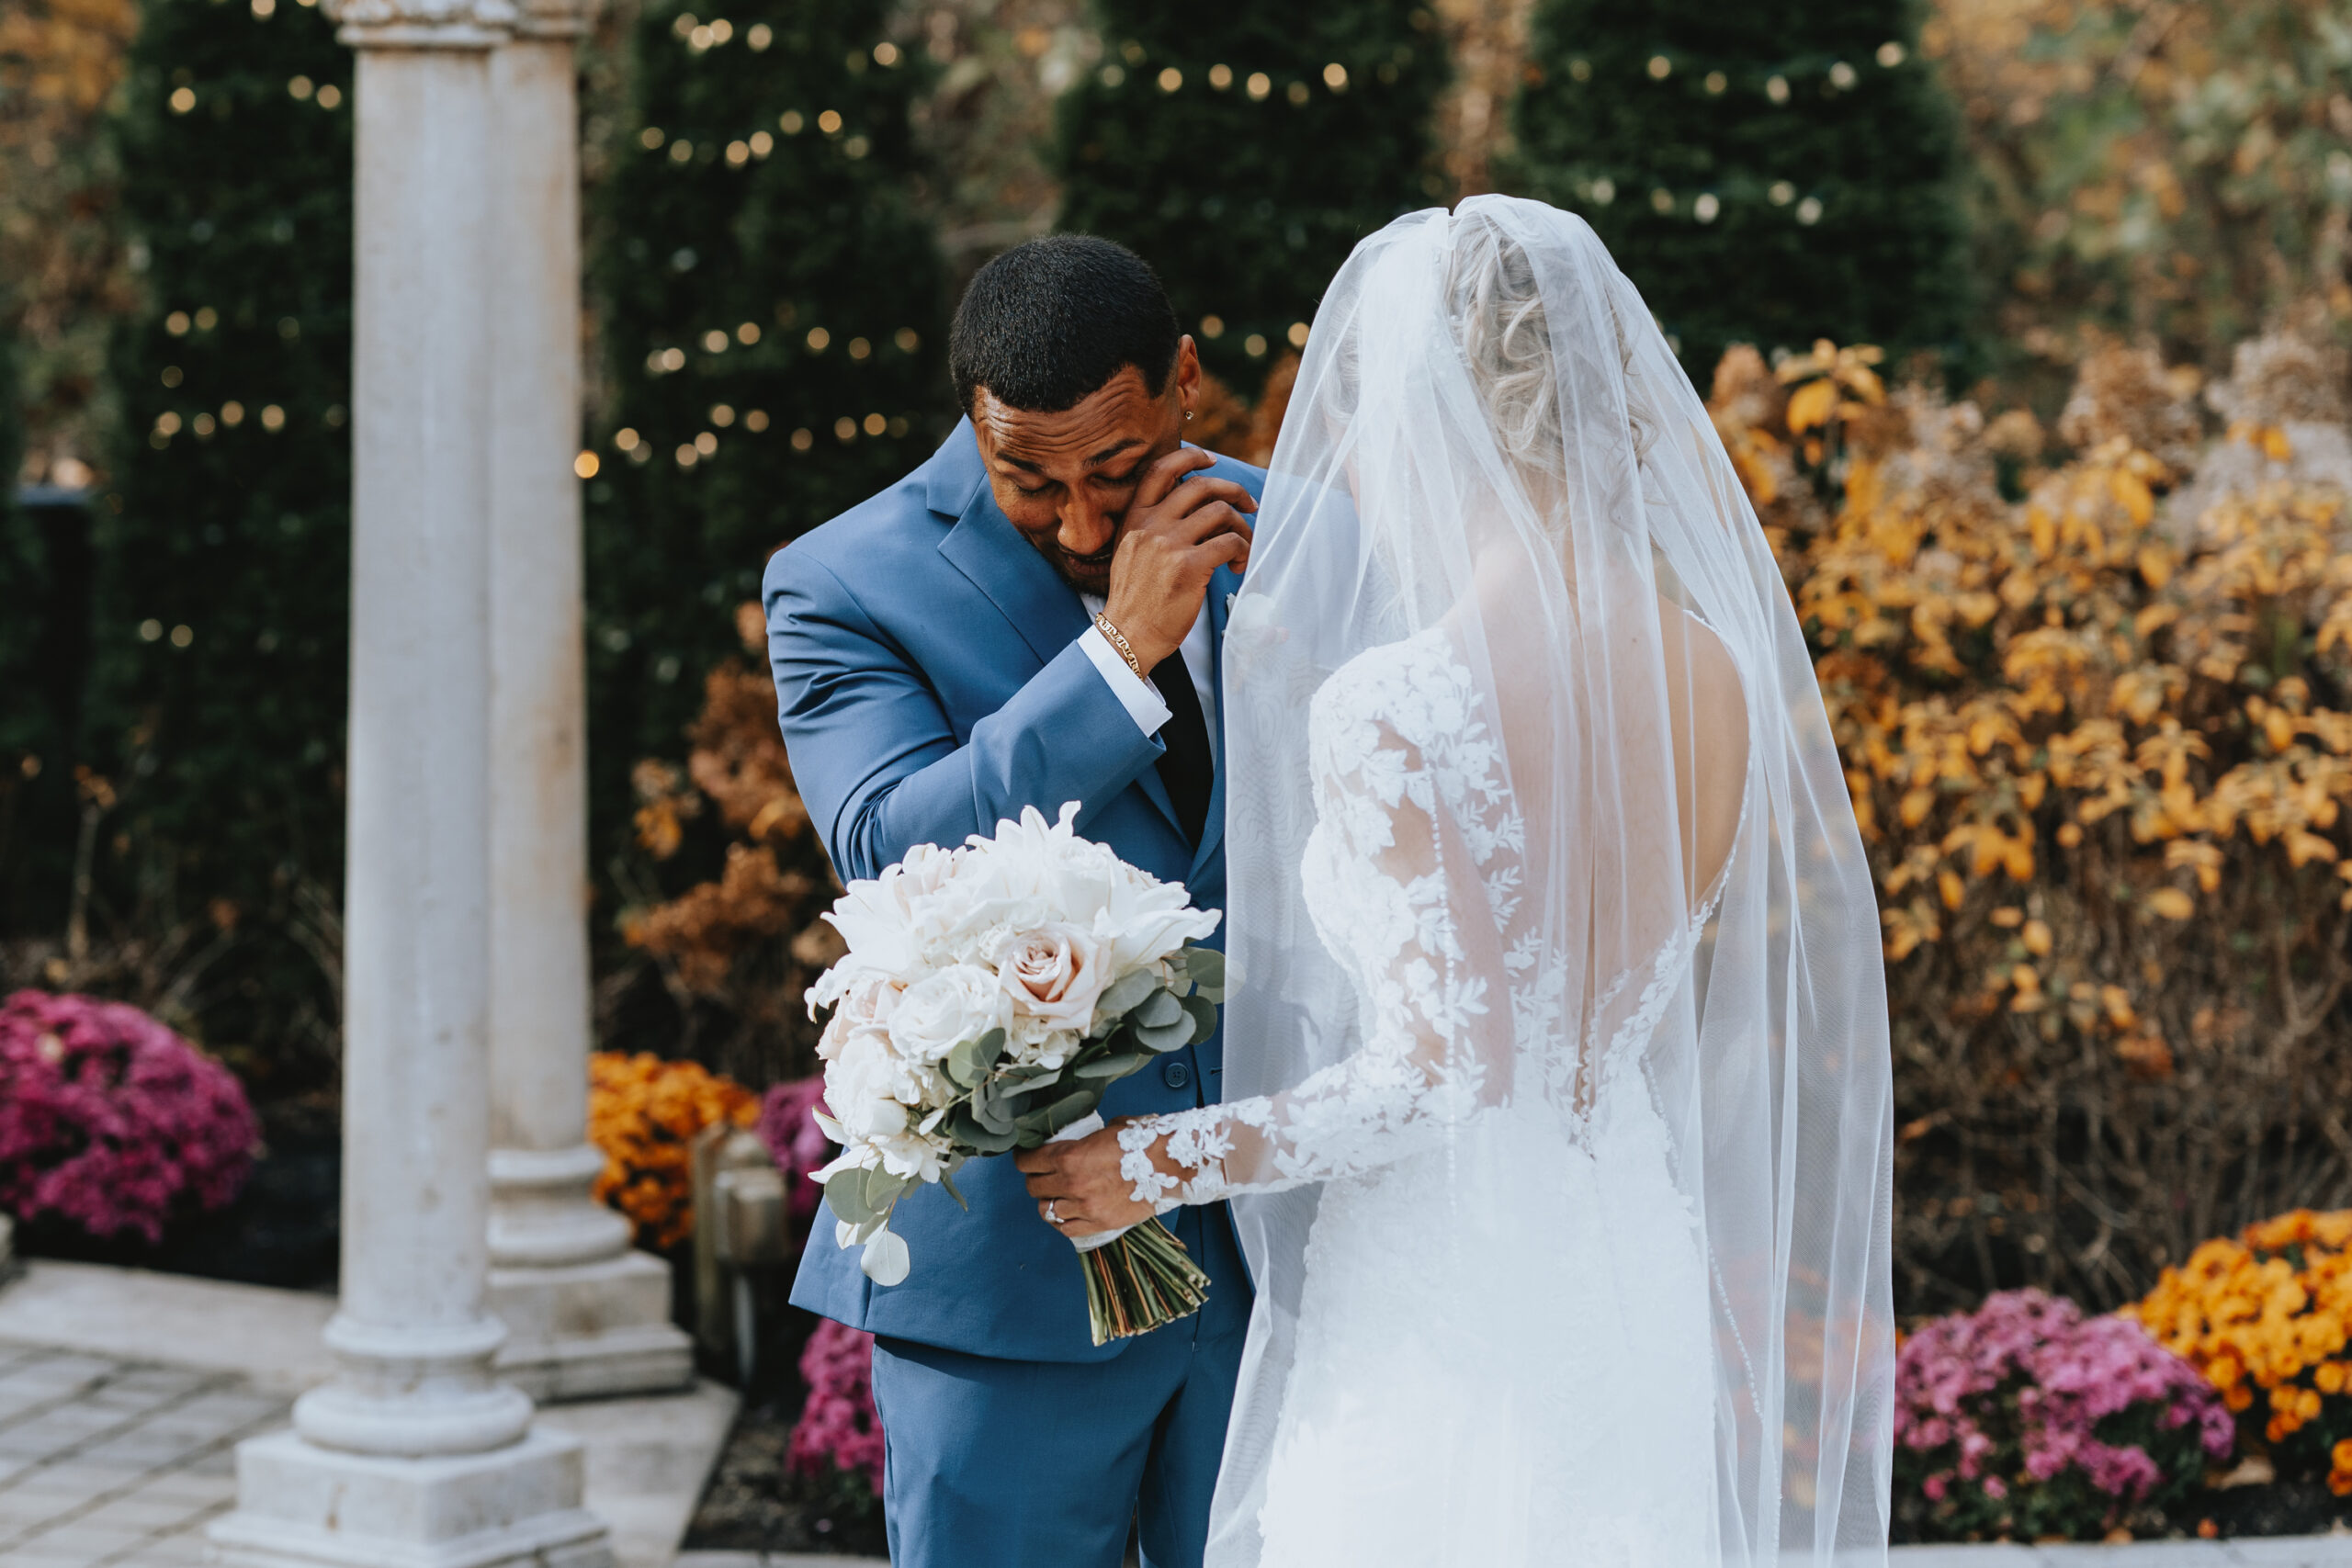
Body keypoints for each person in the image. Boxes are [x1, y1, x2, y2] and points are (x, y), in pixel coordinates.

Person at [1018, 197, 1898, 1568]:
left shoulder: (1397, 704)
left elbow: (1433, 1082)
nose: (1352, 465)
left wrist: (1154, 1162)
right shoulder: (1712, 672)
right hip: (1626, 1246)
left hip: (1451, 1301)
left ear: (1429, 419)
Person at [763, 234, 1261, 1568]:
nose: (1085, 525)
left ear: (1186, 385)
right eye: (1029, 484)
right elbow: (887, 845)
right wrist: (1121, 653)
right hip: (1010, 1277)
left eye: (1114, 470)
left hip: (1288, 1249)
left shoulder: (1301, 538)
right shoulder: (842, 582)